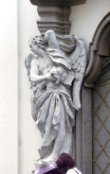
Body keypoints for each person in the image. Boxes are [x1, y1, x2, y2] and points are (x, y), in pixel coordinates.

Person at [25, 32, 75, 165]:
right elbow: (33, 77)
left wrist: (59, 74)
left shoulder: (53, 52)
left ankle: (55, 155)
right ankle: (50, 152)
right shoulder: (35, 61)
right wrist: (47, 76)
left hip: (60, 93)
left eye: (32, 46)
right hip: (47, 95)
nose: (31, 49)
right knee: (48, 126)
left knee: (59, 124)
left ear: (38, 45)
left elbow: (51, 33)